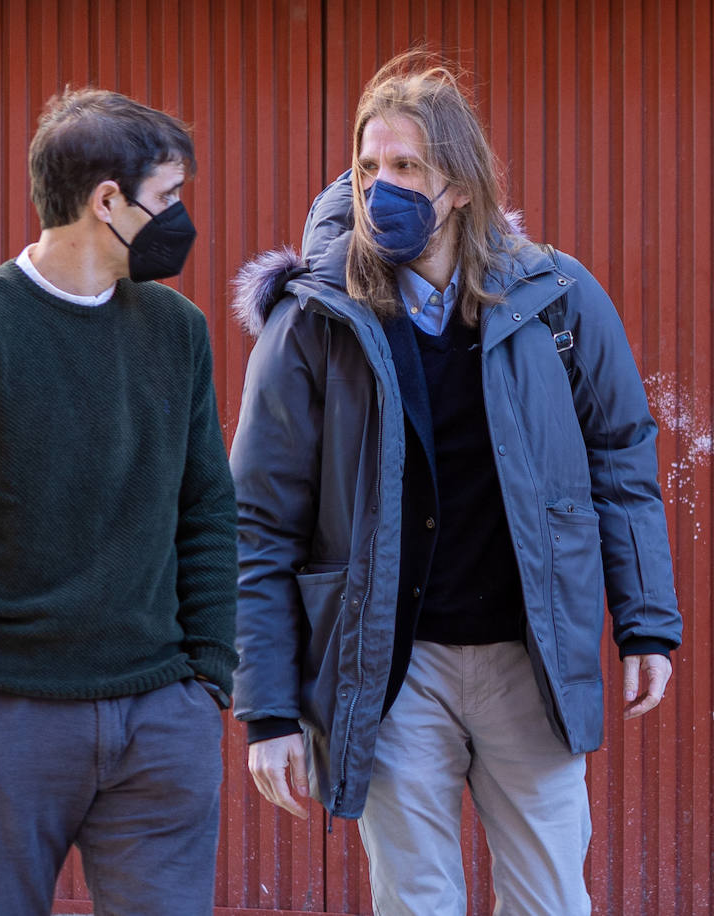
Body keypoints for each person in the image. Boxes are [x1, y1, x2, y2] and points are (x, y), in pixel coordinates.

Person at [229, 52, 683, 914]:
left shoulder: (555, 296)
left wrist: (647, 623)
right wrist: (270, 711)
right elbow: (258, 522)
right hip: (391, 670)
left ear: (462, 188)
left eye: (407, 168)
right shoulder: (315, 321)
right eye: (368, 167)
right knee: (416, 900)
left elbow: (621, 458)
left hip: (529, 657)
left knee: (551, 899)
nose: (380, 188)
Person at [0, 87, 238, 916]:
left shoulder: (177, 331)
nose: (181, 218)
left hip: (162, 717)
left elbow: (208, 510)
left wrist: (207, 679)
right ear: (106, 200)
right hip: (8, 724)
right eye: (169, 197)